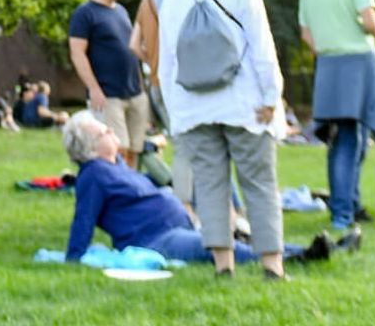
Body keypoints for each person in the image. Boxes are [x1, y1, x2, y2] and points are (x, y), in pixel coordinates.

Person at [158, 0, 292, 279]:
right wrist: (271, 96)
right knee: (259, 182)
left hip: (193, 105)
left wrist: (175, 111)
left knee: (210, 185)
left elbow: (165, 63)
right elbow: (262, 45)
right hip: (243, 102)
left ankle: (223, 266)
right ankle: (271, 265)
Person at [61, 111, 336, 267]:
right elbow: (83, 217)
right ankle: (295, 260)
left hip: (179, 227)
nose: (111, 131)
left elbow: (156, 185)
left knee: (234, 237)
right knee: (216, 244)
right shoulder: (93, 175)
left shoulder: (116, 165)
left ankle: (308, 250)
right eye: (103, 132)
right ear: (89, 147)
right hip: (156, 239)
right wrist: (74, 258)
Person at [298, 0, 375, 234]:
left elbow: (307, 34)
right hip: (362, 62)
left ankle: (344, 211)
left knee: (344, 140)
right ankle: (365, 208)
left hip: (329, 66)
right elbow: (369, 23)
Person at [69, 0, 148, 168]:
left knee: (134, 151)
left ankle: (131, 193)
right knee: (115, 150)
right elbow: (77, 54)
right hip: (107, 96)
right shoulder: (84, 13)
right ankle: (116, 193)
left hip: (135, 93)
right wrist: (93, 89)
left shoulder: (121, 12)